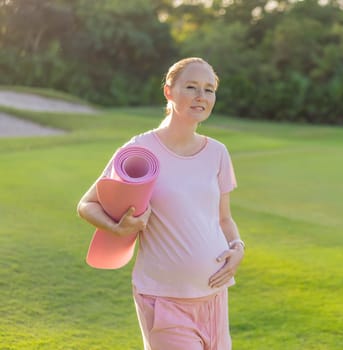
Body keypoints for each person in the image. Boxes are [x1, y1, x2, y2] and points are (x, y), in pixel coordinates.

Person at [77, 57, 245, 350]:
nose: (201, 97)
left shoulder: (218, 152)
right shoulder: (140, 149)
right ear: (169, 91)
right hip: (163, 299)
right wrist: (117, 229)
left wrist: (238, 248)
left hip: (215, 297)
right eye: (191, 87)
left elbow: (224, 220)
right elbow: (87, 204)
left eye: (209, 89)